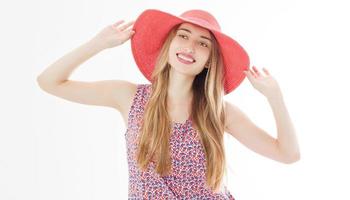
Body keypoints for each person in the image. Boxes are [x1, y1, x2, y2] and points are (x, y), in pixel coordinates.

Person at [37, 8, 300, 200]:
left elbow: (288, 154)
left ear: (209, 59)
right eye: (183, 36)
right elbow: (49, 81)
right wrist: (97, 44)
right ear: (169, 43)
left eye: (202, 43)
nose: (190, 47)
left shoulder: (219, 113)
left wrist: (275, 98)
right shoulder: (129, 97)